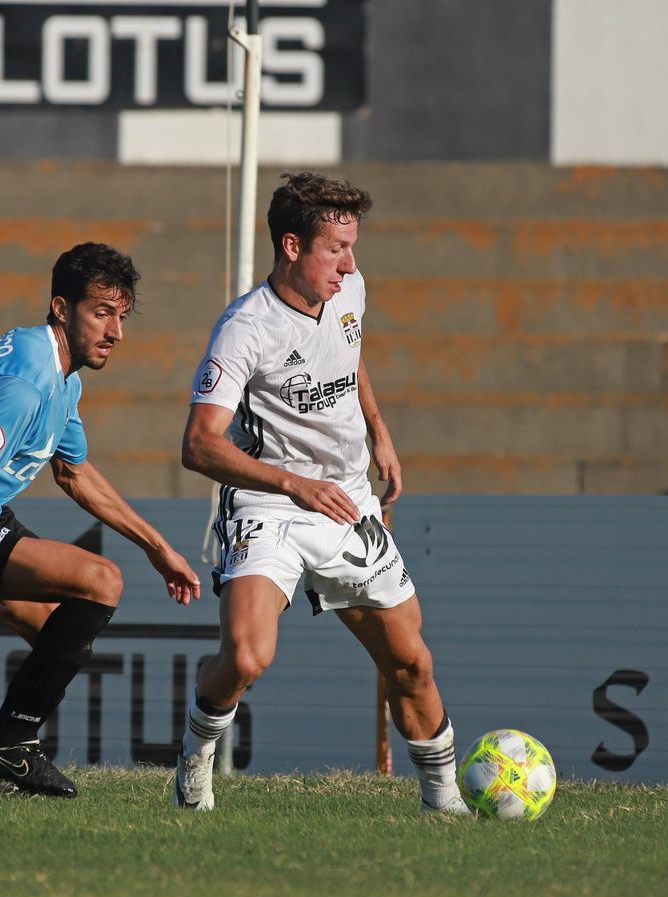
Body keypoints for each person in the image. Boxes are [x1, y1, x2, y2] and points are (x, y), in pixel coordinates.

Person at [172, 173, 469, 814]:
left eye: (352, 247)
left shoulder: (348, 289)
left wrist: (380, 433)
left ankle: (445, 802)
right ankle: (195, 756)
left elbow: (349, 352)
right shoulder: (245, 328)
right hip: (270, 503)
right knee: (246, 657)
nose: (350, 264)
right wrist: (294, 484)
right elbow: (198, 444)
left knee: (411, 663)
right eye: (336, 249)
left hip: (347, 501)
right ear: (291, 246)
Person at [0, 242, 200, 798]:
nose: (116, 332)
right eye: (102, 313)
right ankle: (10, 749)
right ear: (61, 308)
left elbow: (74, 474)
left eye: (122, 316)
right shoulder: (27, 380)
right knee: (101, 580)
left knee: (54, 628)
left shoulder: (63, 377)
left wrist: (157, 547)